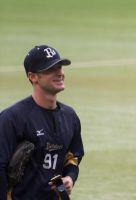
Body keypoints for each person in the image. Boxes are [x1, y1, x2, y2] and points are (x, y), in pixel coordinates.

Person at [0, 45, 84, 200]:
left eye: (60, 67)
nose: (59, 73)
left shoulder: (70, 116)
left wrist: (70, 178)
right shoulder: (12, 118)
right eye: (51, 69)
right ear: (33, 77)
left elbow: (73, 157)